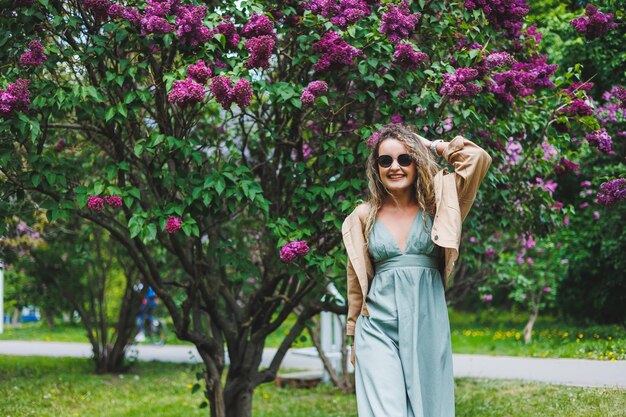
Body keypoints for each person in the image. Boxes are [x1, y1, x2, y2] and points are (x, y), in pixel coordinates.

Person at [342, 123, 492, 417]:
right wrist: (352, 337)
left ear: (416, 162)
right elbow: (356, 282)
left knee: (429, 409)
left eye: (405, 158)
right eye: (385, 160)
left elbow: (478, 159)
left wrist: (434, 145)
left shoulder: (440, 206)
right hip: (376, 327)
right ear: (376, 168)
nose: (395, 167)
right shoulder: (362, 216)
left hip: (427, 322)